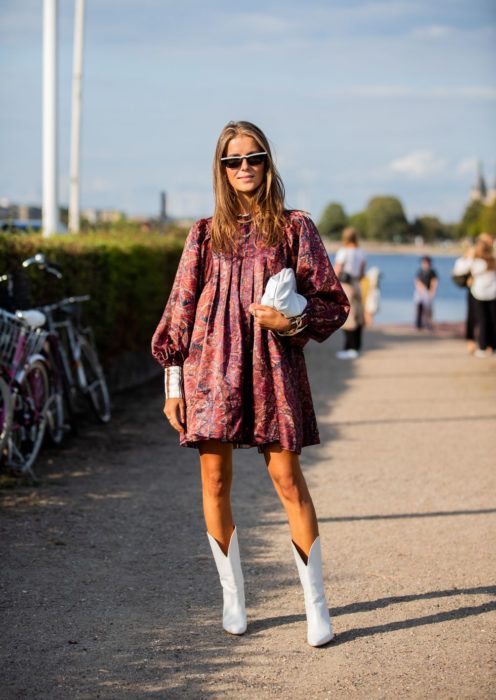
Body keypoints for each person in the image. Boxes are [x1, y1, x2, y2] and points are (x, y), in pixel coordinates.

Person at [151, 121, 350, 647]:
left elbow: (333, 302)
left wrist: (292, 322)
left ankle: (316, 608)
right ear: (220, 169)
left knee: (287, 481)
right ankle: (233, 600)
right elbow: (180, 312)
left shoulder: (295, 228)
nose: (244, 168)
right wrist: (174, 383)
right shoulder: (201, 234)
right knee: (214, 482)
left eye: (253, 158)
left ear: (267, 163)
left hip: (271, 368)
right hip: (209, 372)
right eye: (232, 161)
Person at [452, 233, 496, 357]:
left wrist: (470, 257)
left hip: (479, 295)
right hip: (492, 294)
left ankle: (482, 347)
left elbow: (459, 269)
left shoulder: (477, 263)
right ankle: (491, 346)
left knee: (481, 321)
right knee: (492, 320)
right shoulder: (492, 261)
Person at [333, 227, 366, 359]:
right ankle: (357, 346)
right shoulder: (361, 252)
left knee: (348, 317)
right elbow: (363, 271)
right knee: (358, 316)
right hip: (357, 283)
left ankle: (349, 348)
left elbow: (337, 269)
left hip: (346, 284)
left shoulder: (343, 251)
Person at [414, 256, 438, 330]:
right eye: (423, 263)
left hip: (428, 292)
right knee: (419, 308)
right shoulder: (420, 271)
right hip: (420, 293)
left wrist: (432, 291)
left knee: (428, 309)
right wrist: (421, 290)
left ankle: (429, 324)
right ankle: (419, 324)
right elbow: (417, 281)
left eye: (426, 262)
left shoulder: (432, 272)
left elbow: (434, 282)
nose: (425, 264)